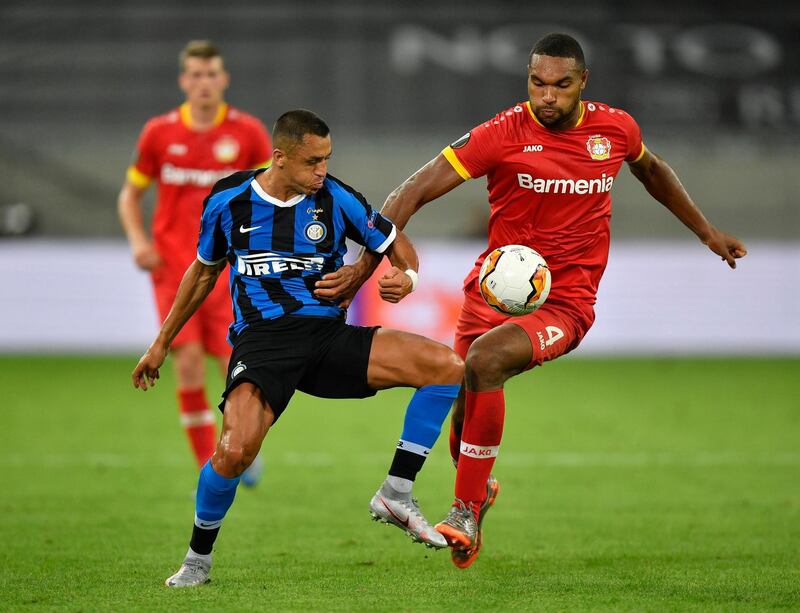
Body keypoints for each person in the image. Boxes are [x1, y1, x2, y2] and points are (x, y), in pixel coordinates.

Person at [314, 33, 747, 569]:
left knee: (485, 362)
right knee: (464, 406)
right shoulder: (502, 133)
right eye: (537, 83)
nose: (547, 96)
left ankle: (466, 508)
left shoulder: (615, 129)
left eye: (561, 86)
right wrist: (363, 267)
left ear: (582, 83)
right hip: (493, 290)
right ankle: (479, 488)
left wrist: (706, 232)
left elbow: (652, 170)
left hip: (565, 301)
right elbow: (412, 191)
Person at [132, 109, 465, 587]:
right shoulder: (229, 200)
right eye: (313, 162)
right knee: (234, 452)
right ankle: (197, 561)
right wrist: (161, 343)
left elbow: (396, 243)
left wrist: (404, 277)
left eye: (327, 159)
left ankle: (396, 491)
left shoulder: (337, 198)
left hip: (327, 337)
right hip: (264, 342)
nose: (322, 171)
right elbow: (204, 270)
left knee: (446, 366)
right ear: (280, 157)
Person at [118, 40, 272, 483]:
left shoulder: (247, 133)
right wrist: (138, 241)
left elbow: (271, 195)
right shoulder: (159, 133)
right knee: (183, 360)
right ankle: (211, 467)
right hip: (172, 266)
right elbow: (131, 194)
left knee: (234, 366)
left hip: (228, 270)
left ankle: (238, 444)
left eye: (212, 75)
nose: (204, 83)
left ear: (224, 80)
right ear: (184, 81)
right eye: (196, 75)